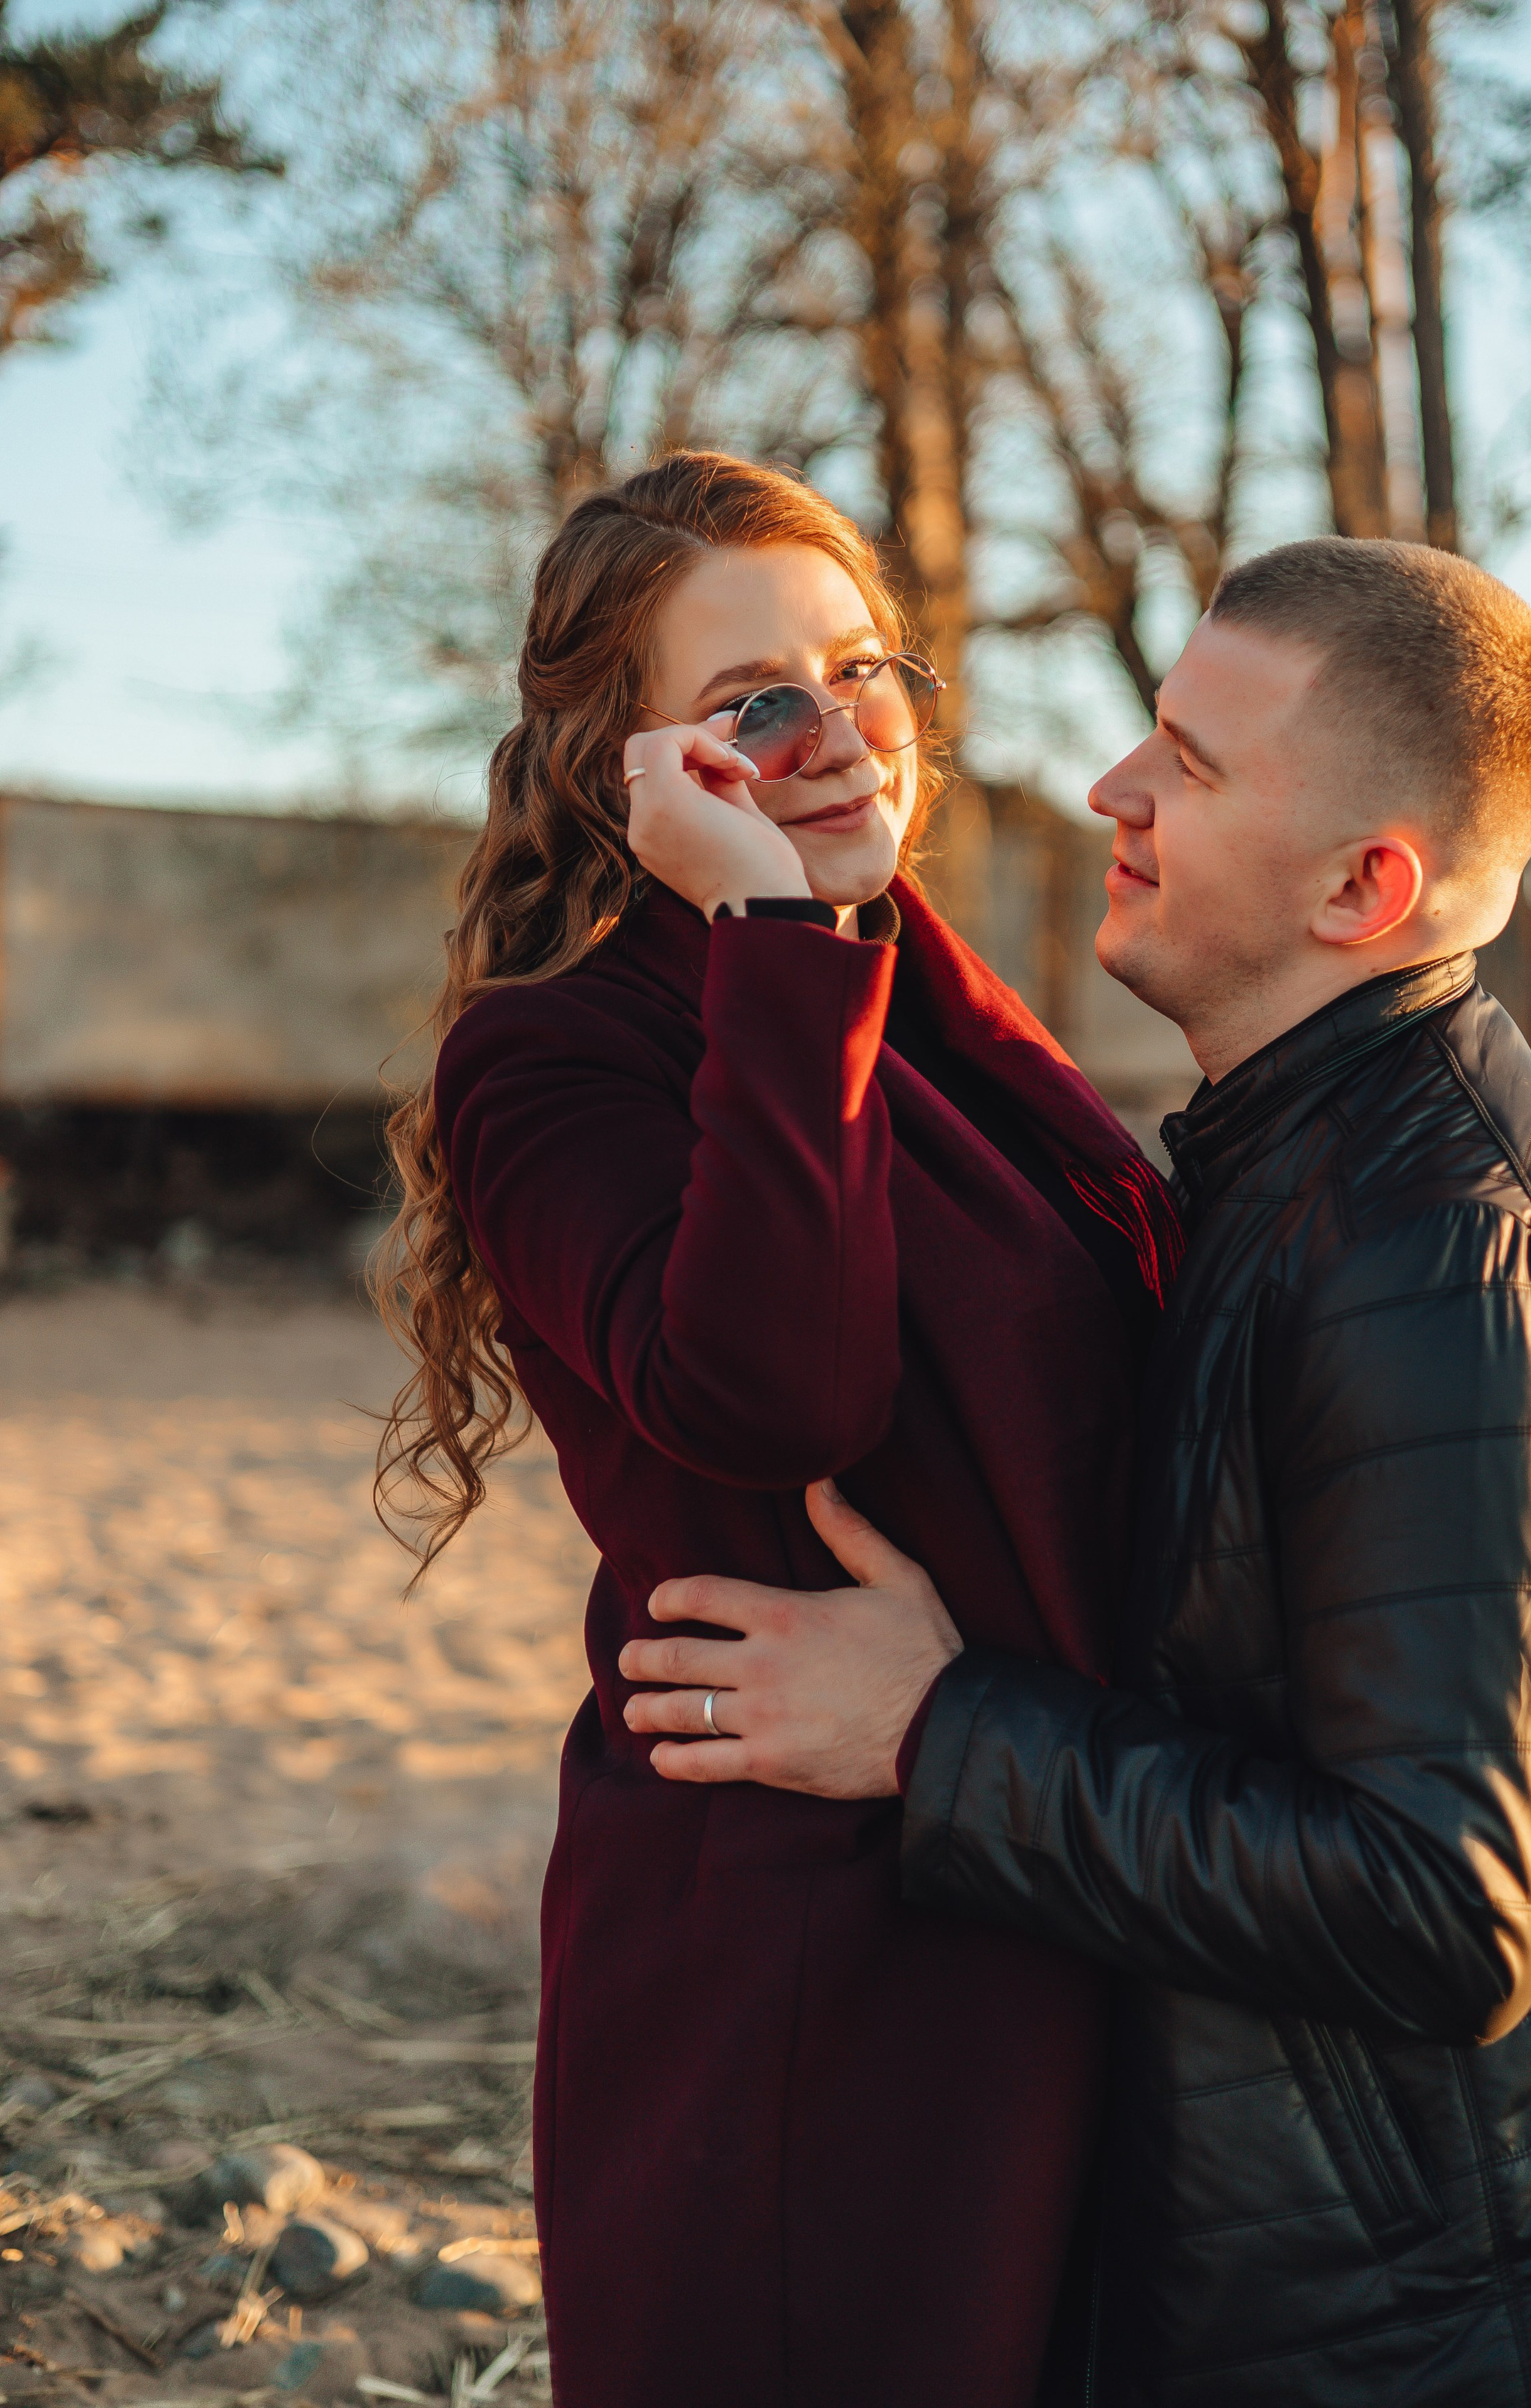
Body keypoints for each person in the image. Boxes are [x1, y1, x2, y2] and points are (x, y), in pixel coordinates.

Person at [621, 539, 1531, 2408]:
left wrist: (934, 1734)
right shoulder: (1304, 1165)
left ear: (1366, 885)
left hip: (1470, 2329)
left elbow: (1444, 1904)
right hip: (1385, 2260)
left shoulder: (1447, 1266)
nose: (1115, 792)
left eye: (1191, 762)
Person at [373, 450, 1181, 2408]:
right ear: (621, 765)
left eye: (864, 666)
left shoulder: (919, 984)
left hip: (1034, 1851)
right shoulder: (556, 1056)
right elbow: (776, 1390)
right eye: (753, 705)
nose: (840, 735)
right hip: (810, 1954)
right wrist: (772, 946)